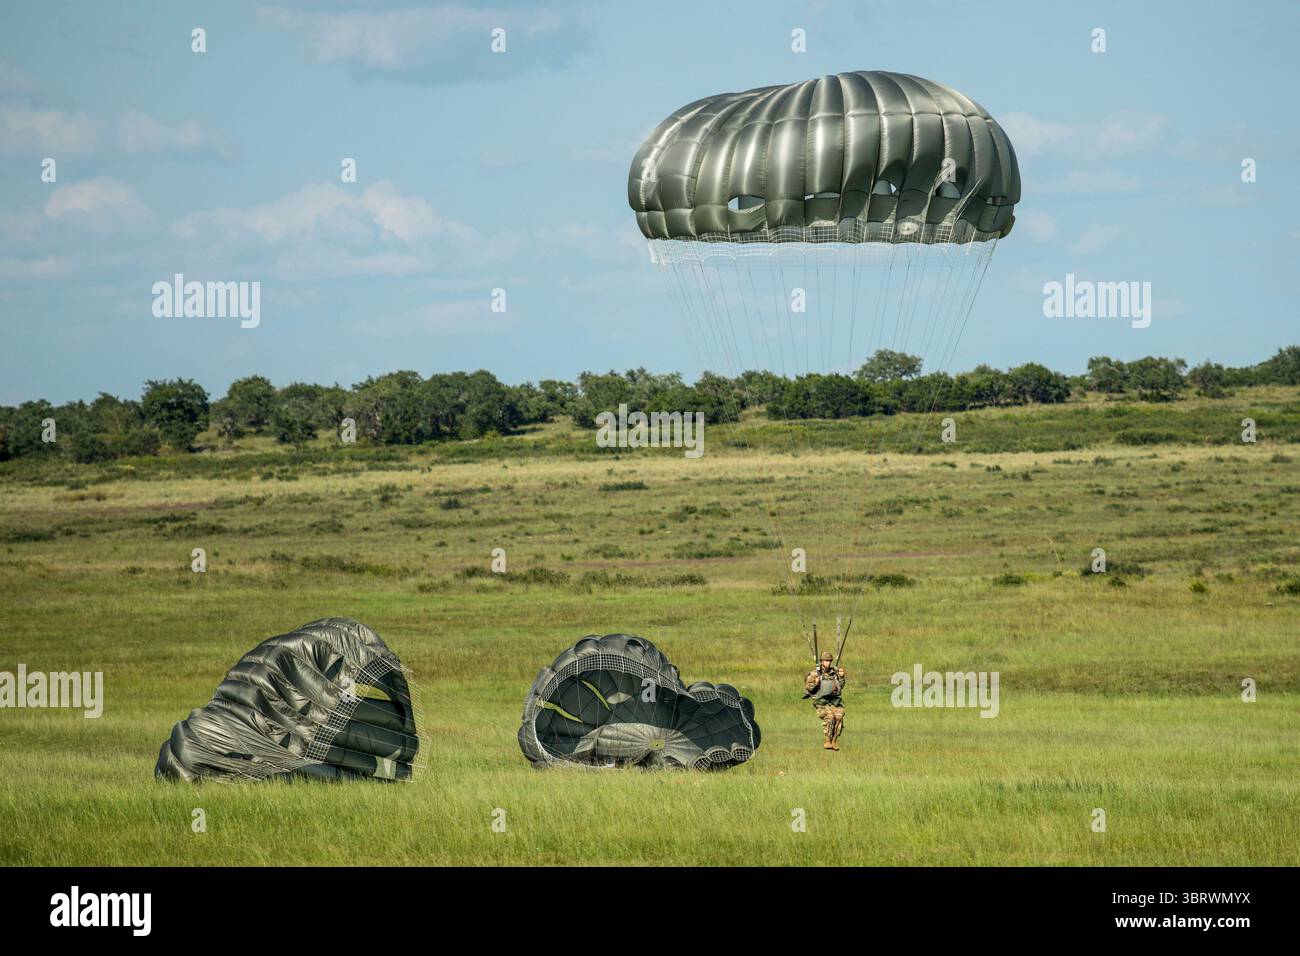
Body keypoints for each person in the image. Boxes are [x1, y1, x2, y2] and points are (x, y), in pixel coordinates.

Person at [803, 650, 846, 750]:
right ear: (822, 661)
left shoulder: (834, 673)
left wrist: (842, 677)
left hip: (834, 702)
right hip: (821, 703)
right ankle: (827, 740)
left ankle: (834, 740)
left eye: (830, 661)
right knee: (830, 717)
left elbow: (840, 686)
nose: (828, 663)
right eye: (826, 661)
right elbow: (808, 688)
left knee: (839, 717)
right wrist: (815, 683)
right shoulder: (815, 674)